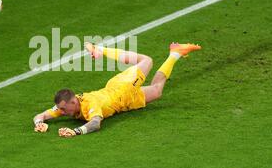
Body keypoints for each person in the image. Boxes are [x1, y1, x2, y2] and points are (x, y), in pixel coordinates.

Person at [33, 42, 202, 137]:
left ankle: (101, 49)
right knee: (157, 91)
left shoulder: (90, 105)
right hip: (124, 101)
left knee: (147, 60)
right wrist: (39, 123)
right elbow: (42, 115)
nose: (61, 112)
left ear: (72, 101)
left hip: (124, 87)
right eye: (60, 109)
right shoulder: (67, 106)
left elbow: (95, 123)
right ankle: (175, 54)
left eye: (63, 108)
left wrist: (76, 131)